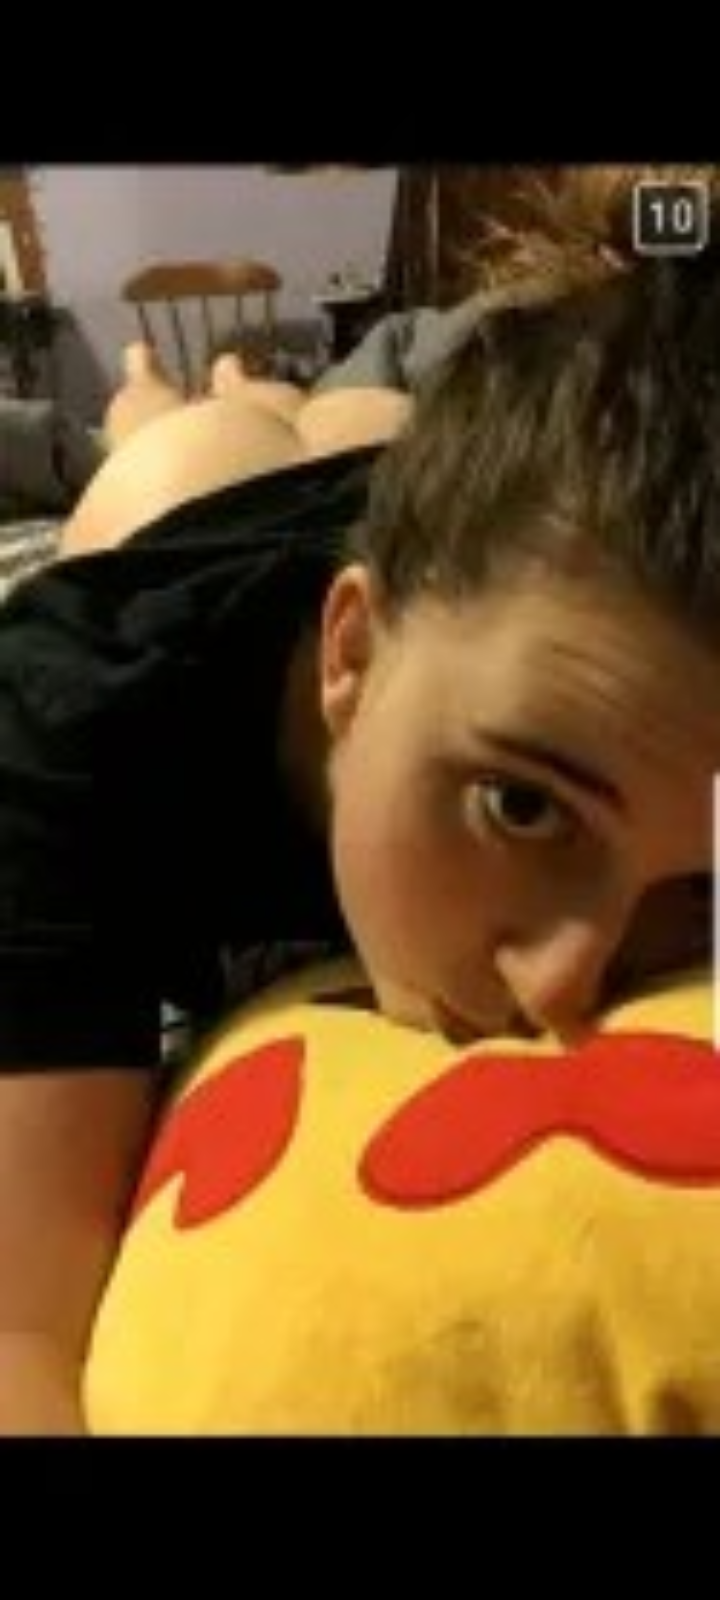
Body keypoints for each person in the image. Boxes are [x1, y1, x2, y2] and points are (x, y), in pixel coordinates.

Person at [0, 170, 719, 1433]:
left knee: (359, 418)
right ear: (352, 654)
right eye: (523, 808)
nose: (563, 987)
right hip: (201, 552)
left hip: (392, 489)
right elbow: (17, 1333)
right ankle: (174, 386)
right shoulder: (66, 735)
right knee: (179, 463)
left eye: (699, 890)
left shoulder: (547, 674)